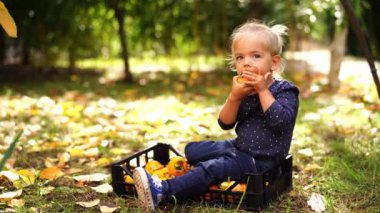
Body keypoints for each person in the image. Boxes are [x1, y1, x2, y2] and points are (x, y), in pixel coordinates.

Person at [133, 19, 299, 212]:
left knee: (214, 168)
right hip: (239, 146)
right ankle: (195, 176)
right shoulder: (244, 90)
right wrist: (235, 97)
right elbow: (225, 123)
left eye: (255, 56)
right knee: (193, 150)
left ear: (274, 62)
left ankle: (162, 191)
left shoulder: (285, 91)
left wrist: (263, 90)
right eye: (240, 57)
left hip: (260, 162)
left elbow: (280, 122)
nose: (246, 62)